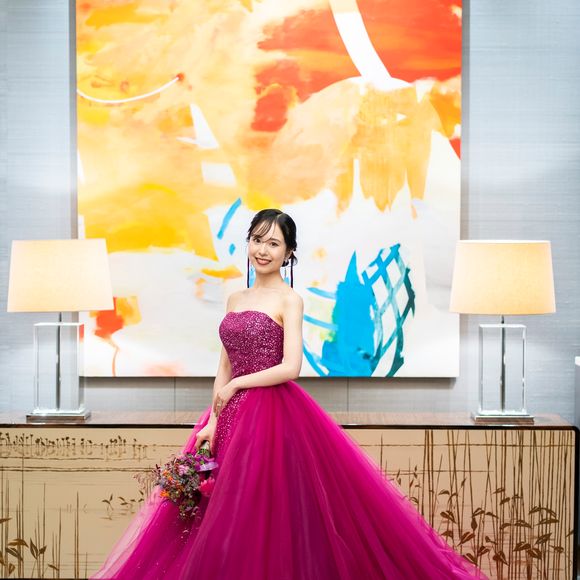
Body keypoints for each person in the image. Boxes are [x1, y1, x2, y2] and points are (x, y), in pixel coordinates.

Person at [92, 209, 487, 579]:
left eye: (274, 243)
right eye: (257, 240)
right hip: (228, 418)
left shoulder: (289, 299)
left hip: (269, 416)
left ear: (289, 252)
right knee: (216, 511)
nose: (263, 250)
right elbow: (224, 365)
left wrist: (238, 385)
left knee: (264, 511)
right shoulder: (235, 298)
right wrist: (212, 420)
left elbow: (290, 367)